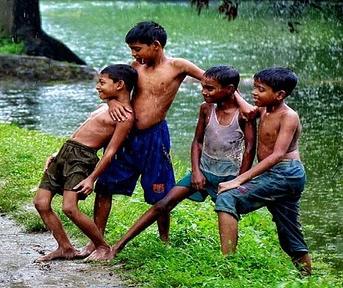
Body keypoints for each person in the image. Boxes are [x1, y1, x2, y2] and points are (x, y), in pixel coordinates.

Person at [90, 65, 256, 261]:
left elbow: (249, 150)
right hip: (203, 169)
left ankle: (229, 261)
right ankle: (116, 247)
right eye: (203, 87)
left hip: (228, 175)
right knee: (161, 203)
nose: (204, 92)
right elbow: (197, 142)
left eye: (209, 89)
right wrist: (196, 171)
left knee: (225, 210)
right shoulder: (206, 108)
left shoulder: (244, 115)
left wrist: (240, 180)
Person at [80, 21, 207, 258]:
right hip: (126, 136)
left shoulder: (178, 66)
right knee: (105, 185)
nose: (134, 54)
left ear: (156, 46)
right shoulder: (134, 68)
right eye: (132, 50)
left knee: (161, 192)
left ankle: (164, 240)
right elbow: (114, 90)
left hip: (155, 138)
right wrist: (113, 102)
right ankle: (96, 241)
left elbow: (213, 81)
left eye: (137, 49)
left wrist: (240, 103)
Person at [33, 64, 138, 262]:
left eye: (102, 83)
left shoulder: (125, 116)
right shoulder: (105, 106)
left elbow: (111, 151)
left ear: (120, 84)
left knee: (69, 208)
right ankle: (65, 247)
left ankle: (102, 246)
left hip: (82, 159)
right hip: (66, 153)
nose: (97, 87)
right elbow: (81, 130)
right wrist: (58, 152)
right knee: (41, 202)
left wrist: (91, 179)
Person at [215, 67, 312, 275]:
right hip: (279, 175)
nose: (255, 93)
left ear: (279, 95)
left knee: (227, 198)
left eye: (261, 89)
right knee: (289, 230)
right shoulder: (264, 109)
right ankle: (307, 278)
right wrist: (233, 92)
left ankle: (227, 267)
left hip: (286, 173)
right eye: (255, 88)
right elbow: (249, 112)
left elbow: (277, 155)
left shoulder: (289, 116)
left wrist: (239, 180)